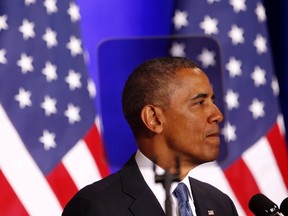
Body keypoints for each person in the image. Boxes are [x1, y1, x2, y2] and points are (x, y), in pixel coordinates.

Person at [62, 57, 239, 216]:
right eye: (200, 103)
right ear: (154, 119)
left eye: (212, 101)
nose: (217, 115)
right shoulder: (96, 208)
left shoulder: (221, 205)